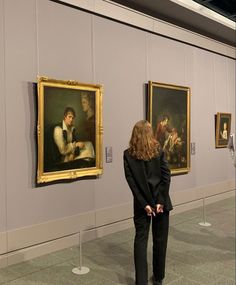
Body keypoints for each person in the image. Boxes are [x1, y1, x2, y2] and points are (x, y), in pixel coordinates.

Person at [123, 120, 173, 285]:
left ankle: (141, 282)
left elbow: (132, 184)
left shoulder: (128, 155)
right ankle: (158, 278)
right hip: (161, 203)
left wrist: (145, 204)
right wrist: (160, 201)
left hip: (141, 205)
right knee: (160, 240)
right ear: (150, 133)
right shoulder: (158, 150)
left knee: (141, 240)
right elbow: (166, 176)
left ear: (134, 134)